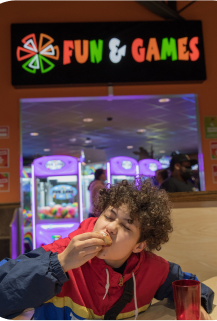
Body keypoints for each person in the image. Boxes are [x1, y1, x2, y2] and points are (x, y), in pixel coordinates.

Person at [0, 180, 214, 321]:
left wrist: (198, 307)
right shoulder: (60, 252)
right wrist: (61, 263)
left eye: (126, 226)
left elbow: (190, 285)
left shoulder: (152, 268)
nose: (110, 228)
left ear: (139, 245)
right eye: (109, 217)